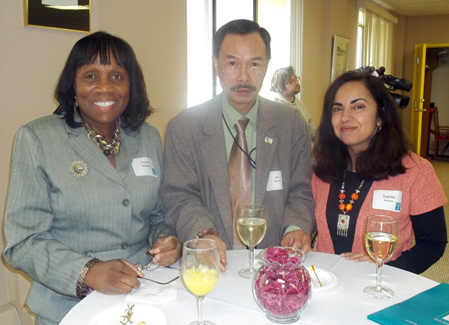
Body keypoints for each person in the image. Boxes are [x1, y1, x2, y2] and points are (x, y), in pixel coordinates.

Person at [3, 31, 181, 325]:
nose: (104, 88)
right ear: (72, 84)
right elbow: (23, 242)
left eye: (116, 76)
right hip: (68, 306)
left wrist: (167, 238)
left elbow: (156, 215)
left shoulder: (147, 136)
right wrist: (87, 271)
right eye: (90, 76)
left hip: (144, 294)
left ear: (130, 86)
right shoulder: (37, 139)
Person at [161, 19, 315, 272]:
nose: (243, 77)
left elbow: (300, 190)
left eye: (254, 64)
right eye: (232, 63)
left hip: (275, 265)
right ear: (216, 65)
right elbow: (179, 195)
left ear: (266, 66)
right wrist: (204, 234)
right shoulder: (184, 127)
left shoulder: (291, 123)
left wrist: (295, 227)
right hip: (209, 263)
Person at [312, 70, 447, 274]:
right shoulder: (322, 168)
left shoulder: (415, 172)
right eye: (337, 109)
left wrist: (384, 271)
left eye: (358, 107)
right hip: (325, 281)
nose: (345, 117)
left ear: (380, 117)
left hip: (381, 287)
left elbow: (433, 244)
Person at [270, 66, 316, 142]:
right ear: (280, 85)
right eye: (291, 81)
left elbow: (310, 126)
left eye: (296, 79)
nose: (297, 83)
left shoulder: (299, 103)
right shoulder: (274, 107)